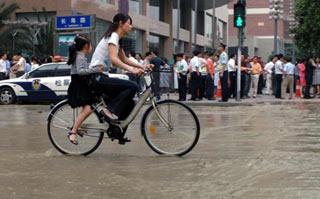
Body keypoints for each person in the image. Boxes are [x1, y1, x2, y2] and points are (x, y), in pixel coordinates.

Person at [89, 13, 149, 120]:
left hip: (102, 76)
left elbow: (124, 59)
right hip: (96, 76)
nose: (131, 27)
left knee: (130, 103)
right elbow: (114, 59)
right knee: (133, 86)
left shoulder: (117, 39)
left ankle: (117, 130)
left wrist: (142, 66)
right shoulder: (114, 36)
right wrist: (132, 70)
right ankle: (109, 110)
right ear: (121, 23)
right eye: (129, 24)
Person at [66, 34, 101, 145]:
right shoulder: (79, 56)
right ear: (86, 46)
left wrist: (93, 68)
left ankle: (77, 127)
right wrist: (95, 69)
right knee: (88, 108)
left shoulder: (79, 55)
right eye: (90, 44)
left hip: (81, 84)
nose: (92, 46)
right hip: (79, 85)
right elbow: (81, 72)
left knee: (88, 108)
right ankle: (73, 131)